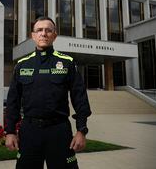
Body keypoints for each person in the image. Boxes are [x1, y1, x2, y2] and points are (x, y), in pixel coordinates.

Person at [5, 16, 91, 169]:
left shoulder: (67, 63)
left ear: (54, 35)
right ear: (33, 35)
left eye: (48, 30)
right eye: (39, 30)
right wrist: (10, 131)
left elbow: (80, 99)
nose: (43, 33)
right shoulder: (22, 65)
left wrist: (81, 130)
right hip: (29, 132)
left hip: (59, 131)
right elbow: (13, 102)